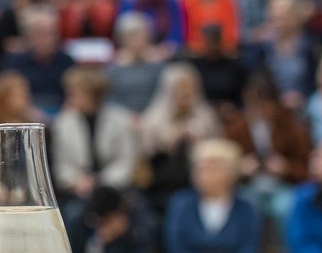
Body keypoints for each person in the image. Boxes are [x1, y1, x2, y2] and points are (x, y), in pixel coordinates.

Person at [224, 74, 312, 232]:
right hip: (248, 187)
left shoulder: (290, 127)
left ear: (275, 105)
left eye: (265, 106)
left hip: (282, 186)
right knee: (248, 208)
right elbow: (223, 167)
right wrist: (239, 168)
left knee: (285, 208)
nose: (260, 112)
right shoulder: (236, 128)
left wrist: (286, 168)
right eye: (254, 106)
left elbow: (308, 167)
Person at [52, 67, 137, 205]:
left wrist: (100, 182)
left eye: (75, 93)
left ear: (93, 95)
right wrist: (77, 182)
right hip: (77, 191)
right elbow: (62, 167)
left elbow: (125, 163)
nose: (69, 96)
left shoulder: (120, 120)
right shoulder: (62, 123)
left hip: (115, 189)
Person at [140, 63, 222, 205]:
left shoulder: (207, 116)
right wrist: (170, 139)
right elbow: (146, 152)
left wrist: (199, 140)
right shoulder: (153, 119)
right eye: (181, 88)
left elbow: (218, 147)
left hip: (201, 178)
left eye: (190, 87)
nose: (186, 93)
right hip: (162, 182)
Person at [3, 6, 76, 115]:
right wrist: (31, 113)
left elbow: (75, 94)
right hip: (26, 115)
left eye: (52, 33)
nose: (47, 39)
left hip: (62, 116)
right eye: (40, 33)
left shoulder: (67, 61)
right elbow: (8, 95)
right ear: (28, 35)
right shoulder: (15, 62)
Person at [106, 12, 167, 115]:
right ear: (123, 39)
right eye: (133, 36)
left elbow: (161, 95)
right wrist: (128, 117)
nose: (139, 40)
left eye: (142, 35)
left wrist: (149, 116)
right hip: (121, 117)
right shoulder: (113, 68)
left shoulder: (156, 66)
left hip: (153, 116)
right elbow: (111, 99)